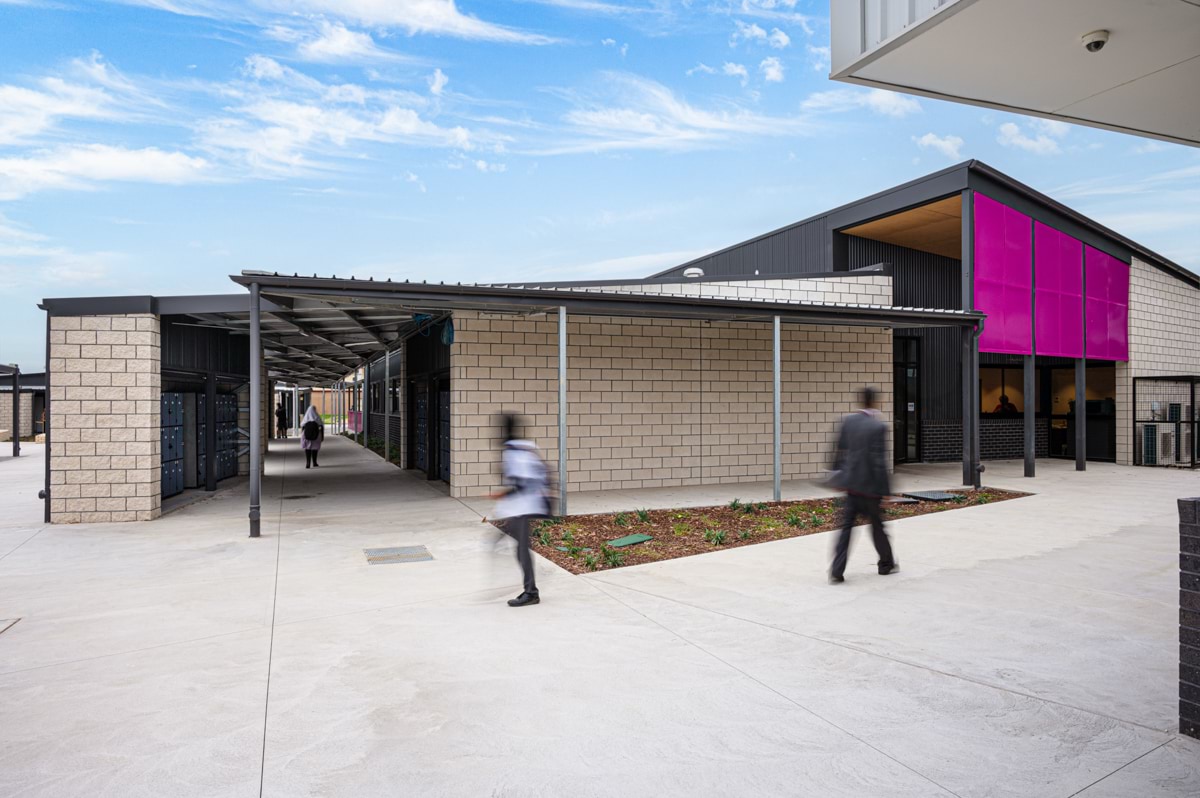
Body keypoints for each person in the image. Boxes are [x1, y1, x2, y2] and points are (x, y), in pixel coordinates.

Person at [829, 386, 898, 584]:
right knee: (877, 527)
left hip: (851, 486)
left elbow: (838, 450)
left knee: (846, 529)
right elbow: (879, 462)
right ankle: (886, 564)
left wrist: (836, 476)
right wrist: (885, 492)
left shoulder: (848, 421)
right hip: (870, 489)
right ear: (875, 402)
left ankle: (837, 569)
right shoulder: (878, 427)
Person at [491, 414, 552, 607]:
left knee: (521, 548)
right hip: (524, 506)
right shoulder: (524, 449)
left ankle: (531, 592)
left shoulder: (514, 452)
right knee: (516, 545)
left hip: (525, 506)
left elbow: (522, 484)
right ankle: (530, 588)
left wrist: (502, 495)